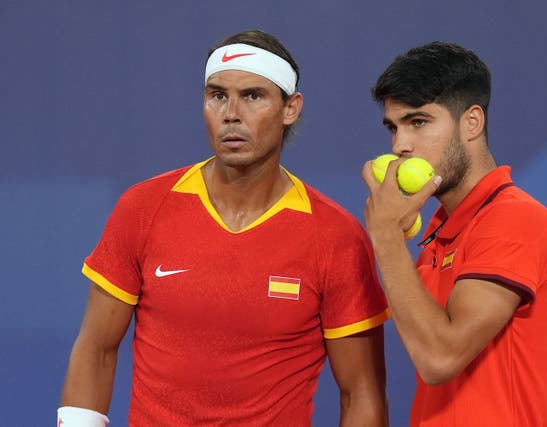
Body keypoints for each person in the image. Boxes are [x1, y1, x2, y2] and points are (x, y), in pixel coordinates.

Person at [59, 29, 390, 426]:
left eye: (252, 96)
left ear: (291, 108)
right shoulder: (143, 208)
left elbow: (361, 394)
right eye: (217, 95)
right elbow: (96, 349)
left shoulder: (336, 235)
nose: (231, 113)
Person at [361, 41, 547, 426]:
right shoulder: (436, 239)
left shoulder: (516, 221)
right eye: (394, 127)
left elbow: (440, 359)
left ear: (472, 122)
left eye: (418, 122)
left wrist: (386, 236)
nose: (399, 145)